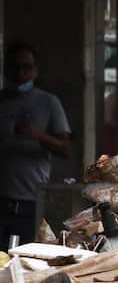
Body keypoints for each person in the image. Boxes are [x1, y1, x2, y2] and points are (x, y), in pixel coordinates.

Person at [0, 42, 70, 246]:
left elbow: (65, 148)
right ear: (6, 70)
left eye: (27, 67)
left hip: (31, 199)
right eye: (15, 67)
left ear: (35, 71)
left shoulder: (48, 102)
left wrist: (38, 136)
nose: (20, 73)